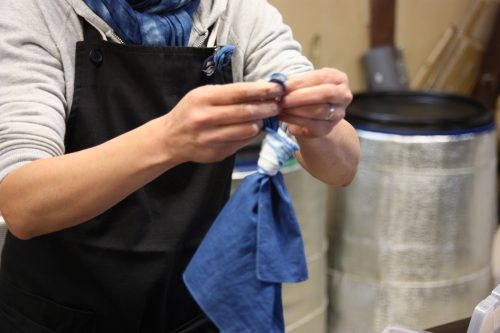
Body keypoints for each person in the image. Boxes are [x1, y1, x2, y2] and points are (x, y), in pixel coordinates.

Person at [0, 0, 360, 332]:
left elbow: (342, 168)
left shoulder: (236, 12)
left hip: (192, 311)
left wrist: (320, 121)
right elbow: (23, 204)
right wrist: (169, 139)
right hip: (58, 316)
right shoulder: (36, 12)